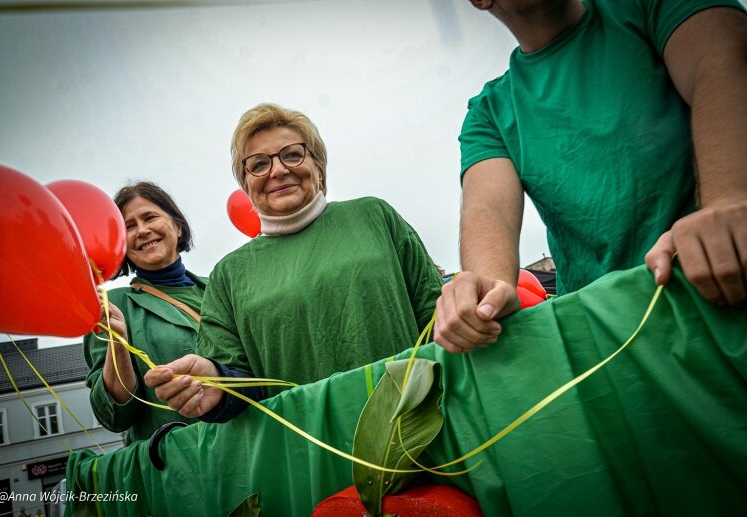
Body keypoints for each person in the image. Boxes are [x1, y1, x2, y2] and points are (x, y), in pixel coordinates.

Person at [434, 0, 747, 353]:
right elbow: (488, 208)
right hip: (605, 342)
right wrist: (483, 293)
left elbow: (720, 65)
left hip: (724, 290)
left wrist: (729, 199)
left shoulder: (651, 8)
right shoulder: (489, 113)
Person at [144, 103, 443, 420]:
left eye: (292, 154)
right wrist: (217, 382)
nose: (277, 170)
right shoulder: (229, 276)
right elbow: (239, 384)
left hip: (416, 428)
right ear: (246, 184)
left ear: (318, 165)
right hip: (306, 453)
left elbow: (437, 316)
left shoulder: (374, 216)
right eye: (258, 164)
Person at [83, 182, 209, 445]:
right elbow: (115, 417)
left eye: (150, 217)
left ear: (177, 225)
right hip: (177, 467)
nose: (142, 230)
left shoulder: (220, 287)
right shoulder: (111, 307)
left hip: (250, 446)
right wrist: (118, 342)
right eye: (129, 227)